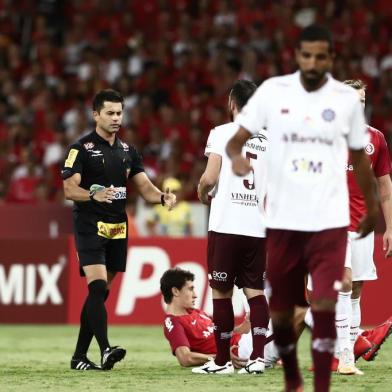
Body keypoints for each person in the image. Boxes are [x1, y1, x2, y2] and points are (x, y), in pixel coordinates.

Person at [226, 25, 378, 392]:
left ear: (330, 59)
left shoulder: (345, 103)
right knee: (287, 308)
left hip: (330, 219)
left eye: (320, 56)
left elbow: (360, 160)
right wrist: (237, 160)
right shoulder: (273, 93)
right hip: (285, 218)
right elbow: (237, 141)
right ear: (297, 56)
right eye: (306, 55)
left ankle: (325, 379)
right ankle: (292, 375)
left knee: (327, 302)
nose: (312, 62)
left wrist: (373, 208)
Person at [62, 89, 176, 371]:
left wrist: (162, 197)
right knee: (98, 286)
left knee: (99, 295)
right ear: (96, 115)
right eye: (110, 113)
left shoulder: (127, 151)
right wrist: (92, 195)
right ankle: (105, 349)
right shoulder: (81, 149)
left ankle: (78, 357)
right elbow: (68, 188)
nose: (116, 118)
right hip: (90, 225)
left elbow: (145, 188)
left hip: (117, 227)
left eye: (119, 113)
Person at [194, 80, 269, 375]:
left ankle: (223, 362)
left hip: (226, 225)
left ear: (231, 103)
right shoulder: (269, 141)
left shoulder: (222, 133)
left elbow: (209, 178)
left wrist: (202, 192)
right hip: (257, 227)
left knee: (221, 292)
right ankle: (258, 358)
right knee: (255, 291)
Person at [160, 267, 279, 369]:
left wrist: (244, 326)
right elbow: (185, 358)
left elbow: (220, 336)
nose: (195, 295)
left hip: (246, 341)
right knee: (288, 316)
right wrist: (221, 358)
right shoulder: (173, 322)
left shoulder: (196, 312)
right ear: (175, 291)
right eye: (190, 289)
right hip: (241, 350)